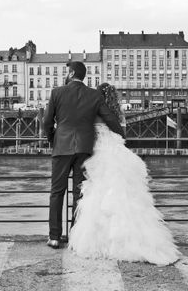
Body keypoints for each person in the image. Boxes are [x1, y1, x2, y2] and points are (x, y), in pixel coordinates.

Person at [68, 83, 180, 266]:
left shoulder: (94, 111)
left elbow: (88, 133)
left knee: (98, 195)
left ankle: (103, 242)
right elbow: (123, 134)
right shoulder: (119, 114)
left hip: (100, 154)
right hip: (117, 152)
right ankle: (135, 239)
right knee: (126, 196)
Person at [43, 61, 124, 249]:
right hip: (84, 149)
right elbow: (110, 118)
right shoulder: (94, 95)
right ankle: (75, 236)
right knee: (79, 193)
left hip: (61, 147)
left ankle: (54, 236)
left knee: (57, 192)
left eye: (67, 71)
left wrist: (52, 139)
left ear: (71, 73)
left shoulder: (57, 92)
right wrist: (122, 135)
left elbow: (47, 122)